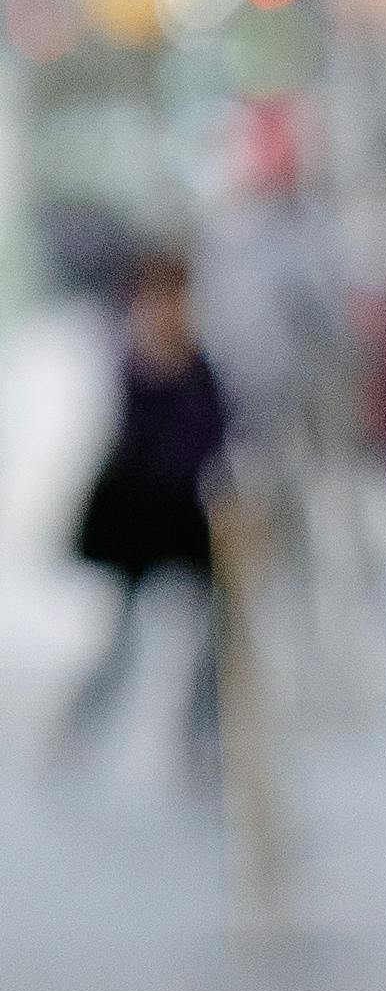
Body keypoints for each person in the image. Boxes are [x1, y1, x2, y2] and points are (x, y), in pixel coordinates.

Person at [58, 249, 230, 768]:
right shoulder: (134, 367)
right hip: (138, 519)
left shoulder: (198, 364)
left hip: (182, 517)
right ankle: (75, 732)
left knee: (211, 633)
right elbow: (142, 442)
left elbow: (215, 431)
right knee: (121, 640)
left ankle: (198, 739)